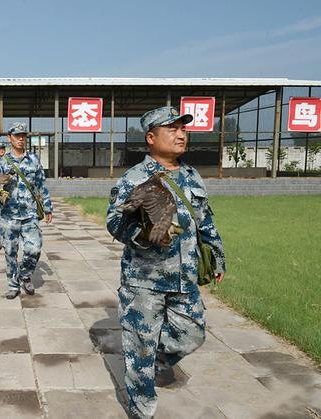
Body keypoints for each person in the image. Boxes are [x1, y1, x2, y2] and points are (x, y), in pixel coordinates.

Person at [106, 106, 226, 419]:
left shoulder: (190, 175)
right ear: (150, 137)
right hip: (144, 279)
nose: (181, 134)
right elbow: (114, 223)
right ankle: (142, 409)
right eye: (172, 129)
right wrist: (144, 234)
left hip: (184, 276)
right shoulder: (134, 178)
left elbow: (205, 220)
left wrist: (216, 256)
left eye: (183, 128)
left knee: (192, 334)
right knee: (140, 347)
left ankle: (152, 362)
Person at [0, 122, 53, 299]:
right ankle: (13, 286)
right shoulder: (2, 163)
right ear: (9, 138)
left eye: (23, 136)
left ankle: (25, 274)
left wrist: (48, 207)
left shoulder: (34, 160)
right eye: (17, 136)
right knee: (10, 252)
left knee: (34, 249)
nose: (21, 139)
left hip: (29, 214)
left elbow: (41, 185)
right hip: (9, 216)